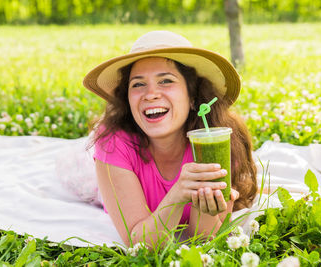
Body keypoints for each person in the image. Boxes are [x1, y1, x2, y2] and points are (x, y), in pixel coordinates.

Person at [83, 30, 257, 247]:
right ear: (127, 99)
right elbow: (139, 244)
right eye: (138, 84)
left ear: (192, 97)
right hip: (105, 180)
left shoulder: (217, 141)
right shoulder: (114, 143)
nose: (150, 94)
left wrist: (205, 208)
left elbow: (203, 239)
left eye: (165, 81)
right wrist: (178, 194)